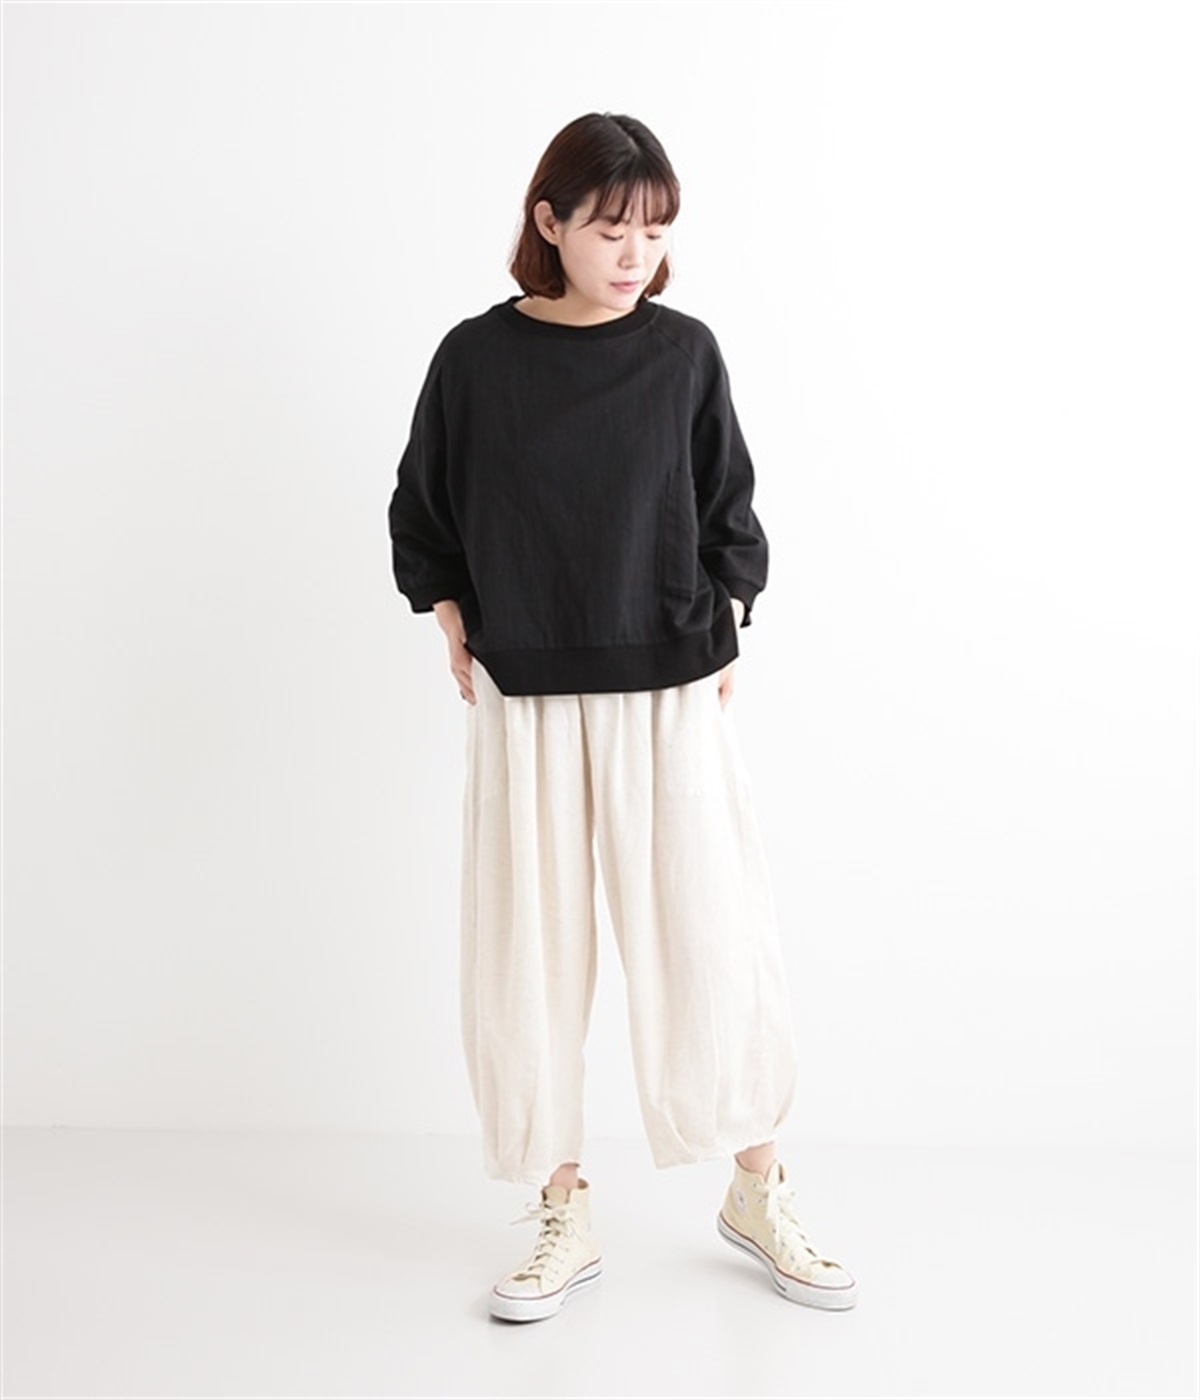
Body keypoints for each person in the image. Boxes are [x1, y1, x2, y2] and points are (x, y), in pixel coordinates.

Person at [387, 111, 857, 1322]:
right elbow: (424, 507)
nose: (636, 252)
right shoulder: (475, 359)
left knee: (710, 938)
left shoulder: (684, 352)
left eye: (654, 228)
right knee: (528, 956)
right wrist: (449, 612)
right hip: (528, 688)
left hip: (668, 683)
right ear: (548, 223)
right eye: (610, 228)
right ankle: (562, 1202)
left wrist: (728, 612)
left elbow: (729, 505)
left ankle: (756, 1185)